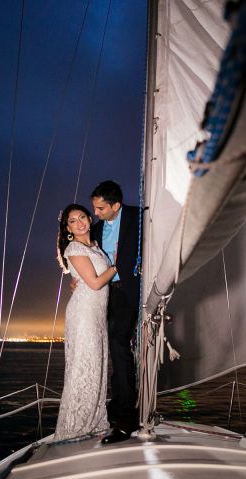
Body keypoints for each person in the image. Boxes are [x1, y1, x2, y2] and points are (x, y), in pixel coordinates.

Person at [54, 204, 118, 441]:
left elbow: (84, 278)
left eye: (82, 217)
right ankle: (74, 428)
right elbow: (94, 283)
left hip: (97, 314)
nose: (80, 223)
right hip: (83, 315)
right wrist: (117, 266)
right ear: (68, 228)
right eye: (73, 221)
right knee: (83, 367)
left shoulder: (95, 246)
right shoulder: (74, 247)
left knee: (96, 366)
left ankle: (92, 422)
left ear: (90, 218)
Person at [90, 180, 141, 444]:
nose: (95, 214)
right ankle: (119, 405)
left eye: (100, 208)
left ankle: (126, 418)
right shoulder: (96, 230)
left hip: (130, 292)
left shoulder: (139, 217)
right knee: (114, 350)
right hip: (105, 293)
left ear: (116, 205)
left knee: (118, 344)